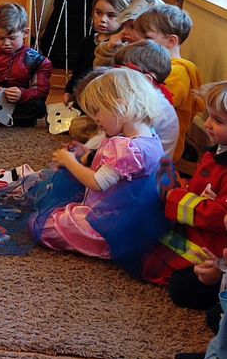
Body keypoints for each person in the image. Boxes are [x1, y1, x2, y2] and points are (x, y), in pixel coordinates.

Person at [29, 68, 170, 275]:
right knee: (51, 207)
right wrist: (85, 154)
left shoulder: (128, 148)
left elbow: (98, 182)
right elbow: (115, 169)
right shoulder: (150, 138)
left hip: (112, 223)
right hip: (131, 216)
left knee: (40, 225)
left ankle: (104, 247)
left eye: (98, 111)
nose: (95, 118)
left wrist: (69, 161)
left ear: (119, 107)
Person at [143, 82, 227, 309]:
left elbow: (218, 215)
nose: (208, 125)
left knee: (183, 287)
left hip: (213, 246)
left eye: (218, 121)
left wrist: (176, 198)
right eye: (209, 117)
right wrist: (184, 188)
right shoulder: (217, 153)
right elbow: (205, 190)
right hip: (196, 232)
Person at [134, 3, 202, 162]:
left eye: (147, 38)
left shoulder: (177, 73)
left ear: (171, 41)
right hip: (150, 138)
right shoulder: (159, 66)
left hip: (163, 148)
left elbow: (153, 109)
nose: (139, 43)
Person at [0, 2, 51, 127]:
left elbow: (40, 91)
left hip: (18, 102)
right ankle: (11, 121)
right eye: (0, 38)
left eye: (12, 38)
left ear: (25, 33)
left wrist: (22, 94)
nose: (6, 43)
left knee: (39, 107)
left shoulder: (39, 61)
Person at [65, 0, 131, 101]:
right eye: (98, 13)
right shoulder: (87, 42)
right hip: (83, 96)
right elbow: (78, 72)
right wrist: (69, 91)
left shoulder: (122, 47)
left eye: (111, 16)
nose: (102, 20)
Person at [114, 39, 179, 158]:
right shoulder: (148, 98)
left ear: (147, 80)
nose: (115, 79)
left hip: (146, 170)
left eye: (123, 75)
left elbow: (122, 149)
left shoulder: (149, 107)